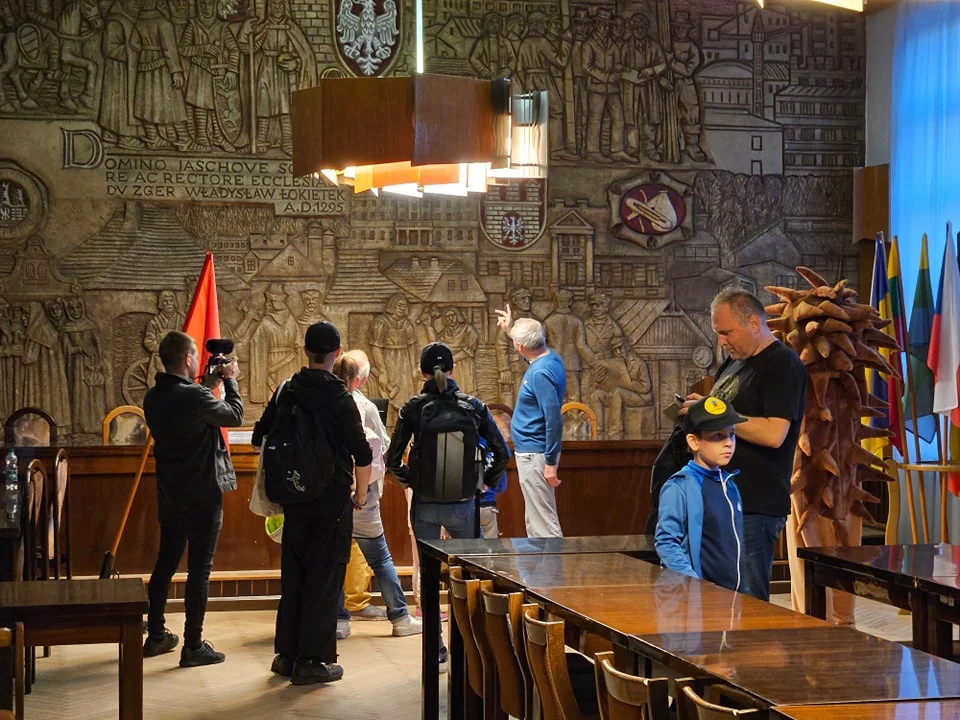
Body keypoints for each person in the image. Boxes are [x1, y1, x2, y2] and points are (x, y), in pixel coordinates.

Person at [252, 321, 373, 685]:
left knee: (295, 575)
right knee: (324, 577)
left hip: (294, 497)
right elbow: (363, 453)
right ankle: (313, 660)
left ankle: (287, 655)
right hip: (331, 500)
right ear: (337, 353)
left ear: (305, 350)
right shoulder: (340, 397)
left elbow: (259, 437)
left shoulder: (287, 389)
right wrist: (360, 495)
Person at [386, 342, 510, 671]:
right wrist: (484, 481)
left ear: (422, 373)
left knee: (428, 576)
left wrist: (410, 481)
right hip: (464, 504)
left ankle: (435, 649)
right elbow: (502, 453)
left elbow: (392, 459)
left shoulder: (413, 407)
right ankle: (469, 648)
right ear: (453, 370)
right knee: (466, 577)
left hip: (425, 503)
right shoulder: (474, 407)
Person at [681, 290, 806, 601]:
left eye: (727, 332)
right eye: (718, 333)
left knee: (747, 605)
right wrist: (705, 409)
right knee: (716, 600)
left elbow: (774, 433)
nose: (722, 341)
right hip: (718, 499)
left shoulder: (781, 363)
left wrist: (719, 415)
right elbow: (727, 412)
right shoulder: (734, 362)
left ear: (753, 322)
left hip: (752, 505)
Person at [142, 331, 244, 666]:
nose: (199, 360)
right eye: (196, 356)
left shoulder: (153, 396)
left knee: (166, 563)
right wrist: (230, 380)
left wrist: (211, 383)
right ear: (187, 359)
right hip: (203, 493)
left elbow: (191, 408)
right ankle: (194, 645)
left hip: (170, 491)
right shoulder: (195, 396)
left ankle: (156, 635)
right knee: (199, 569)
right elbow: (234, 415)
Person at [333, 351, 422, 640]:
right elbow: (379, 450)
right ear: (360, 379)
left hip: (330, 496)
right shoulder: (365, 407)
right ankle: (400, 617)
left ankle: (339, 621)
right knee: (380, 559)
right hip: (362, 497)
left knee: (335, 560)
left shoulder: (321, 404)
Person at [655, 396, 746, 591]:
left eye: (732, 435)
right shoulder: (679, 487)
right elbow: (667, 542)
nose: (728, 443)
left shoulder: (729, 485)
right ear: (694, 441)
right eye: (718, 436)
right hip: (698, 598)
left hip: (732, 595)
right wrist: (693, 585)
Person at [496, 307, 566, 537]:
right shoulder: (549, 357)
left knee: (544, 524)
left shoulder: (540, 374)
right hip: (533, 452)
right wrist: (510, 330)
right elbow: (530, 353)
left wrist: (550, 462)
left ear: (519, 347)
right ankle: (540, 562)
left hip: (535, 455)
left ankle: (553, 561)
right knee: (536, 520)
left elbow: (553, 419)